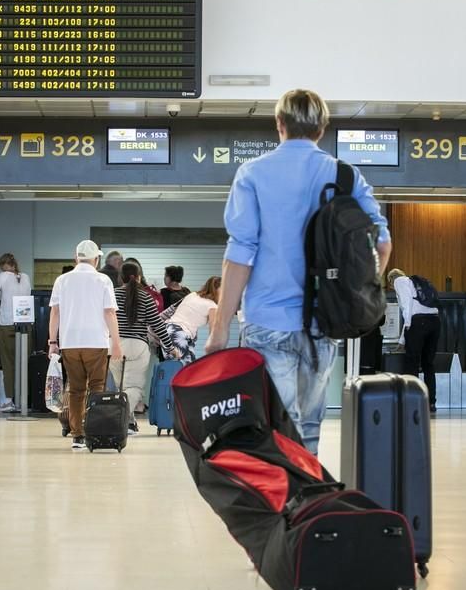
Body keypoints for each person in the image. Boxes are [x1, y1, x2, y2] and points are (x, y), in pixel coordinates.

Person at [206, 89, 391, 455]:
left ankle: (281, 505)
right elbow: (381, 243)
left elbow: (240, 254)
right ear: (322, 129)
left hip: (267, 321)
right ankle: (308, 505)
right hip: (323, 322)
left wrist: (220, 327)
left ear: (279, 125)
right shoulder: (346, 177)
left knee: (275, 427)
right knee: (308, 428)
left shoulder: (253, 173)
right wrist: (359, 294)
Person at [48, 240, 124, 450]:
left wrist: (53, 342)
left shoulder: (62, 280)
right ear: (96, 259)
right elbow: (109, 312)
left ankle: (77, 436)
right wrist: (116, 343)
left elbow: (55, 312)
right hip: (96, 342)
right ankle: (95, 431)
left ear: (76, 258)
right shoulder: (103, 280)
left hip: (70, 342)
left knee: (76, 390)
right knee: (97, 388)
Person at [111, 262, 178, 430]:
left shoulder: (112, 294)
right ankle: (120, 420)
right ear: (139, 277)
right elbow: (157, 325)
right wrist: (170, 347)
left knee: (121, 386)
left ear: (121, 278)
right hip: (137, 345)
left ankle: (128, 422)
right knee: (132, 387)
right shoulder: (146, 297)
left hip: (114, 345)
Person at [0, 253, 32, 413]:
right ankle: (24, 401)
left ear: (3, 265)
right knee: (23, 363)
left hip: (7, 324)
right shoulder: (25, 277)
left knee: (8, 363)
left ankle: (9, 401)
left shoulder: (3, 276)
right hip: (25, 325)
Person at [388, 269, 441, 413]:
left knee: (412, 363)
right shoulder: (416, 283)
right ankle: (431, 403)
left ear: (392, 279)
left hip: (418, 322)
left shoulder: (400, 281)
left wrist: (405, 334)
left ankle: (412, 402)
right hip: (435, 322)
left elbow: (407, 306)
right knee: (428, 364)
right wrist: (403, 339)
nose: (392, 288)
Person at [166, 276, 221, 364]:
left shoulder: (193, 295)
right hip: (179, 334)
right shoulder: (213, 306)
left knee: (176, 368)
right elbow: (213, 332)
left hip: (169, 331)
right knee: (184, 371)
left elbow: (174, 310)